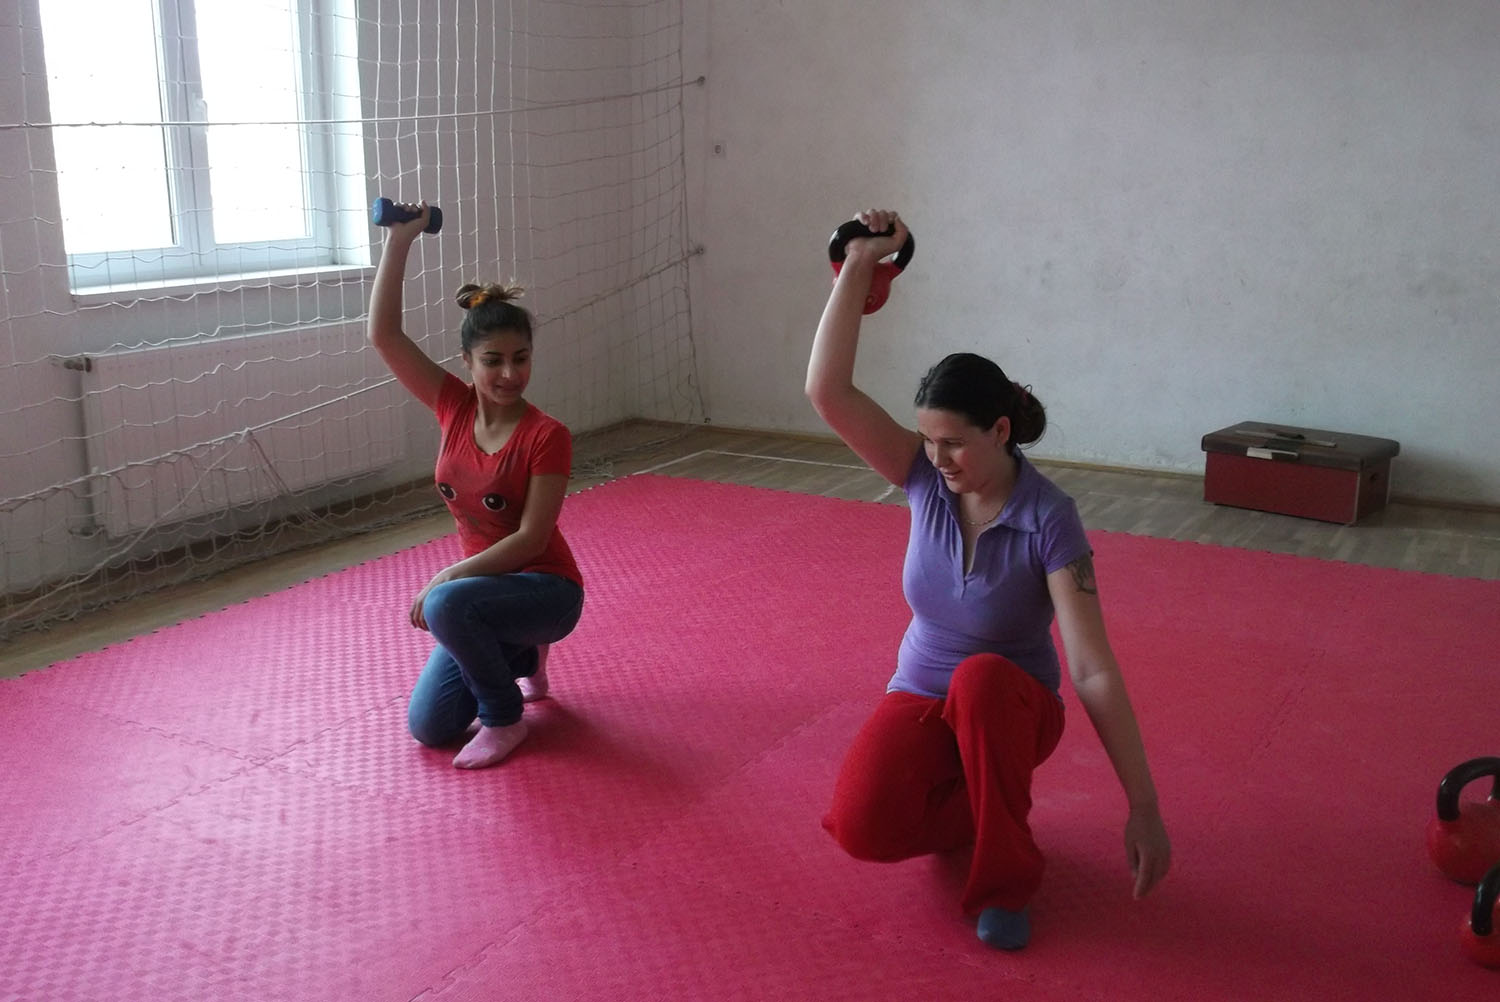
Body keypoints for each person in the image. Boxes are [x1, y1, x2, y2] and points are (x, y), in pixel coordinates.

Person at [806, 209, 1171, 949]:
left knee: (978, 680)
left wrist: (1144, 805)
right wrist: (860, 263)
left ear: (1000, 431)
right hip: (920, 692)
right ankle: (985, 805)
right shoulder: (921, 478)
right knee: (861, 825)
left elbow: (1091, 668)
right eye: (927, 440)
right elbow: (828, 389)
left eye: (953, 443)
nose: (936, 459)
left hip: (1012, 707)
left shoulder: (1050, 518)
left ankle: (1007, 878)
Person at [367, 201, 584, 770]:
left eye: (521, 358)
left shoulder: (547, 435)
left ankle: (504, 718)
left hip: (547, 592)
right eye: (493, 361)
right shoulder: (453, 408)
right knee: (430, 728)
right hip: (483, 596)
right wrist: (400, 240)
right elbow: (384, 336)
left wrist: (448, 576)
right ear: (466, 362)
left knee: (445, 603)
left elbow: (532, 539)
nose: (509, 374)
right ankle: (524, 659)